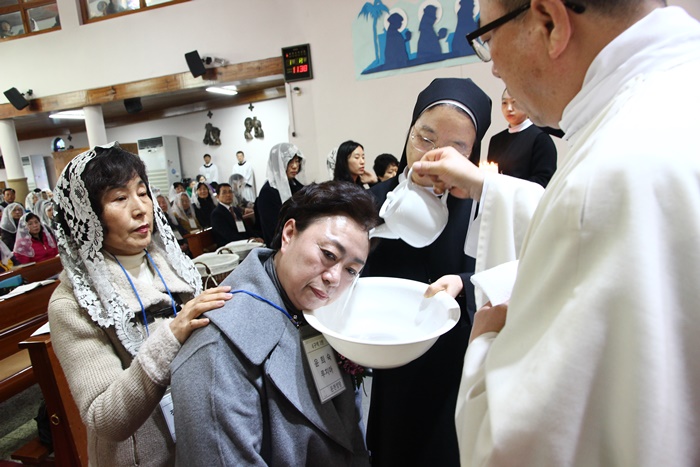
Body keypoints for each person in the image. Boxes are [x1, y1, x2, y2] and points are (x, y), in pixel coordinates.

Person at [411, 2, 700, 465]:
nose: (495, 67)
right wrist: (488, 190)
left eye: (488, 37)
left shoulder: (610, 171)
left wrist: (484, 339)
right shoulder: (673, 97)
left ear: (549, 21)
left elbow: (521, 446)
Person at [48, 143, 232, 465]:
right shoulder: (73, 303)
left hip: (201, 444)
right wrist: (172, 335)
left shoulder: (174, 267)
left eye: (143, 193)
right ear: (87, 214)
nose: (140, 208)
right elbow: (105, 418)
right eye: (120, 198)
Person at [171, 181, 379, 466]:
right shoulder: (217, 349)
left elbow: (349, 430)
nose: (334, 278)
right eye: (328, 254)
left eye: (351, 270)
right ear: (289, 234)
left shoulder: (323, 314)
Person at [362, 77, 491, 467]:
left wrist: (463, 283)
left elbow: (502, 273)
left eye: (457, 147)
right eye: (425, 138)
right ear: (409, 132)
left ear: (472, 154)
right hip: (391, 358)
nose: (434, 157)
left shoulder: (482, 207)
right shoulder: (376, 200)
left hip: (454, 361)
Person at [484, 88, 557, 187]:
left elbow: (544, 180)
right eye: (504, 103)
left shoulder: (540, 138)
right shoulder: (496, 140)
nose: (509, 108)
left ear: (527, 105)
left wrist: (508, 187)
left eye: (515, 102)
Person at [256, 143, 305, 245]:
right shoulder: (268, 192)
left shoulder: (297, 186)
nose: (295, 166)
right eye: (290, 161)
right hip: (282, 245)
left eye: (297, 161)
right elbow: (273, 230)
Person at [209, 183, 260, 247]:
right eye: (224, 193)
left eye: (230, 192)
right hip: (229, 247)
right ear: (217, 196)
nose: (228, 195)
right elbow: (228, 235)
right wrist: (248, 241)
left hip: (244, 243)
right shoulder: (217, 214)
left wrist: (256, 237)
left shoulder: (235, 210)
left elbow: (246, 228)